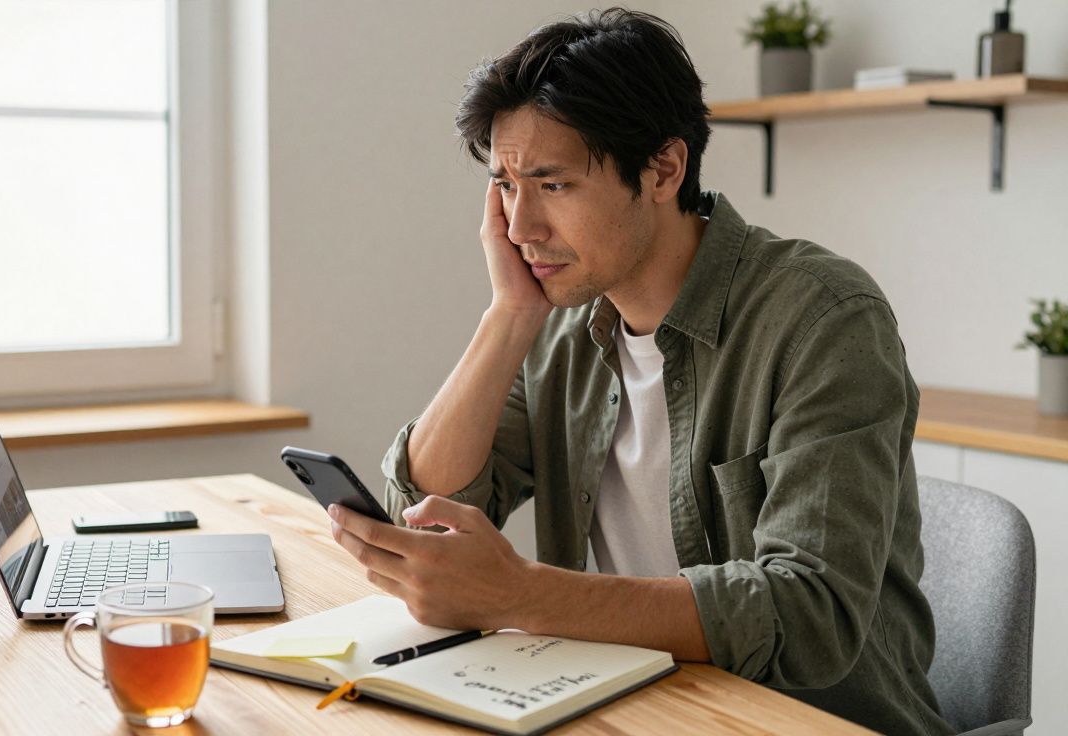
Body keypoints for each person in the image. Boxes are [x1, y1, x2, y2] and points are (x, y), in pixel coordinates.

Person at [326, 8, 950, 735]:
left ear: (662, 169)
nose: (520, 227)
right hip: (633, 710)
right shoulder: (560, 323)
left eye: (552, 185)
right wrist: (506, 318)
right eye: (504, 185)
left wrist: (521, 594)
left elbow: (809, 614)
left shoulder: (824, 319)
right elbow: (430, 509)